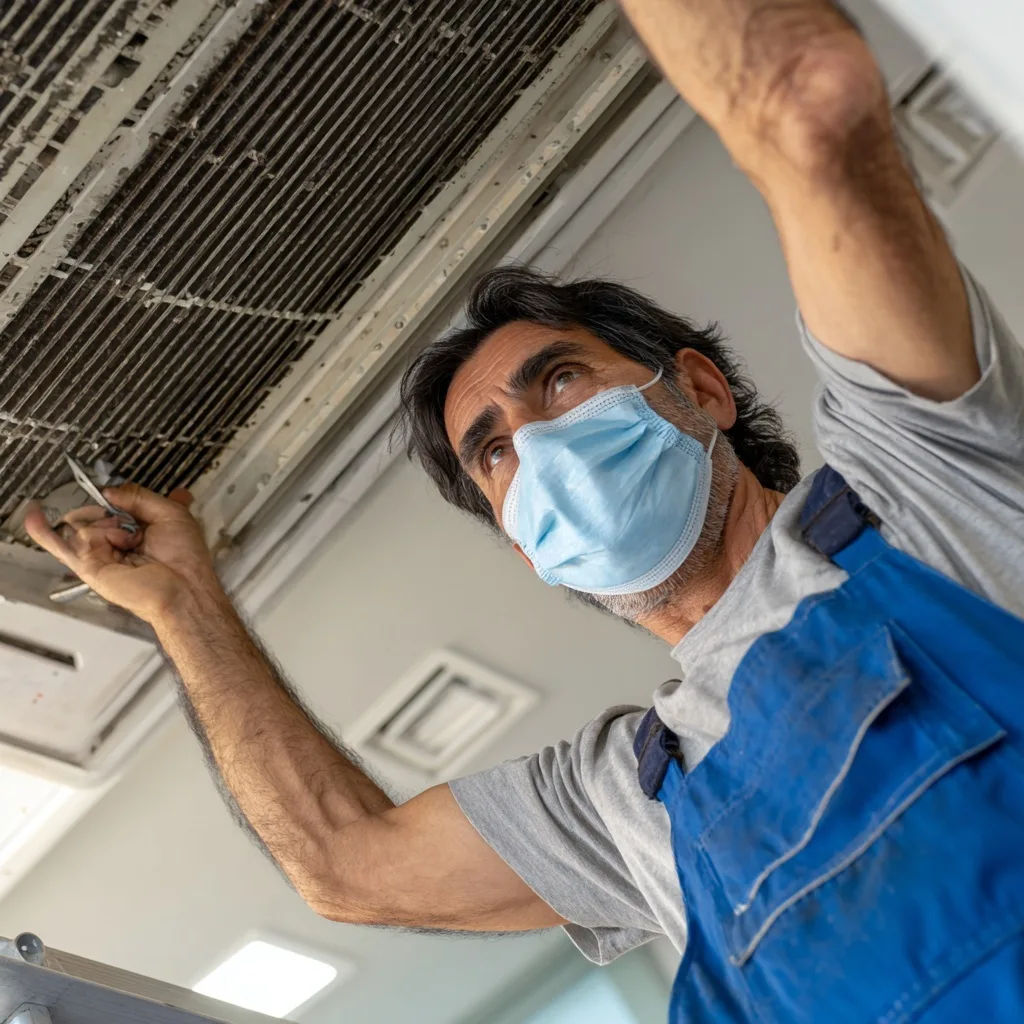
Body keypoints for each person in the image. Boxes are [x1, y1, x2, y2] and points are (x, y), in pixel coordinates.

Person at [27, 0, 1024, 1020]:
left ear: (700, 390)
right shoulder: (625, 805)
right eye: (493, 451)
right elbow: (346, 864)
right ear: (529, 546)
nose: (538, 444)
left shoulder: (922, 483)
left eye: (557, 382)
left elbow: (804, 103)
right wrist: (184, 605)